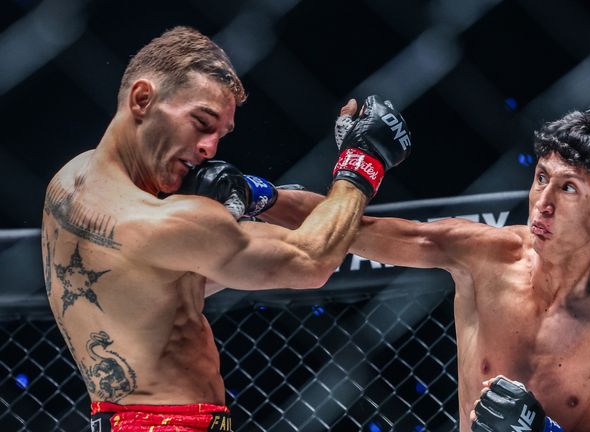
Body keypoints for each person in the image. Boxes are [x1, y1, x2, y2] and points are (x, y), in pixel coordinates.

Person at [40, 26, 411, 431]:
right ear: (142, 99)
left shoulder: (71, 180)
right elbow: (310, 260)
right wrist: (361, 162)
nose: (210, 149)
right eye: (201, 122)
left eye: (220, 134)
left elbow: (159, 285)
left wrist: (254, 203)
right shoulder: (161, 221)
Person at [254, 106, 590, 431]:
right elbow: (360, 231)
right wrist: (253, 194)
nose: (543, 203)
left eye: (569, 187)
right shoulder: (486, 256)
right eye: (542, 178)